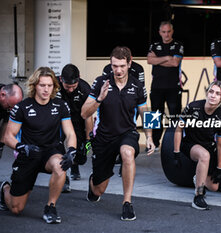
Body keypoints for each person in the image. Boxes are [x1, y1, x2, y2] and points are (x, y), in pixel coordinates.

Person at [81, 46, 155, 221]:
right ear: (111, 64)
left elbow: (146, 112)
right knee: (99, 189)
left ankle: (127, 203)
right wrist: (99, 98)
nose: (118, 70)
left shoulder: (138, 85)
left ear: (129, 63)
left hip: (127, 133)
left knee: (127, 153)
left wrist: (150, 137)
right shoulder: (100, 82)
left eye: (122, 65)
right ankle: (94, 183)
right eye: (114, 66)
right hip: (104, 137)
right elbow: (84, 113)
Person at [0, 67, 77, 224]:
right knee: (16, 208)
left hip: (51, 152)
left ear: (54, 86)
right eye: (42, 85)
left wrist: (71, 151)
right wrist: (22, 147)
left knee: (60, 164)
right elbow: (8, 136)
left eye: (49, 85)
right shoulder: (22, 107)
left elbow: (70, 133)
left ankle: (50, 207)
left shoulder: (61, 106)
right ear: (35, 85)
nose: (46, 89)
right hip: (29, 153)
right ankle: (4, 189)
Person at [173, 81, 221, 210]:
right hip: (190, 144)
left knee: (214, 187)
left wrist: (220, 168)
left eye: (217, 93)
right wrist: (176, 153)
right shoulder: (193, 107)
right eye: (211, 91)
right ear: (207, 93)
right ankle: (198, 197)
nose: (213, 95)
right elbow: (179, 129)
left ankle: (197, 178)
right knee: (204, 155)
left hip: (208, 146)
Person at [147, 21, 184, 150]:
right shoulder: (154, 45)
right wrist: (167, 57)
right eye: (164, 32)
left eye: (168, 31)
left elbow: (175, 63)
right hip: (156, 87)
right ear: (159, 32)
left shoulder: (178, 45)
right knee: (154, 116)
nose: (166, 34)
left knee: (175, 115)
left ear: (172, 31)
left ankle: (174, 143)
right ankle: (153, 143)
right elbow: (150, 60)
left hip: (173, 87)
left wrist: (159, 59)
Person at [57, 64, 93, 193]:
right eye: (67, 87)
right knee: (57, 145)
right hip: (58, 120)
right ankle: (62, 176)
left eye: (73, 87)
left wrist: (89, 138)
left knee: (81, 155)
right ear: (61, 79)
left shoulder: (85, 89)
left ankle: (75, 165)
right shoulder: (53, 86)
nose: (71, 90)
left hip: (78, 119)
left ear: (79, 79)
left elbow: (88, 116)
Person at [0, 83, 23, 159]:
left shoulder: (11, 105)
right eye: (9, 106)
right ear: (2, 95)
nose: (11, 110)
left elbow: (7, 123)